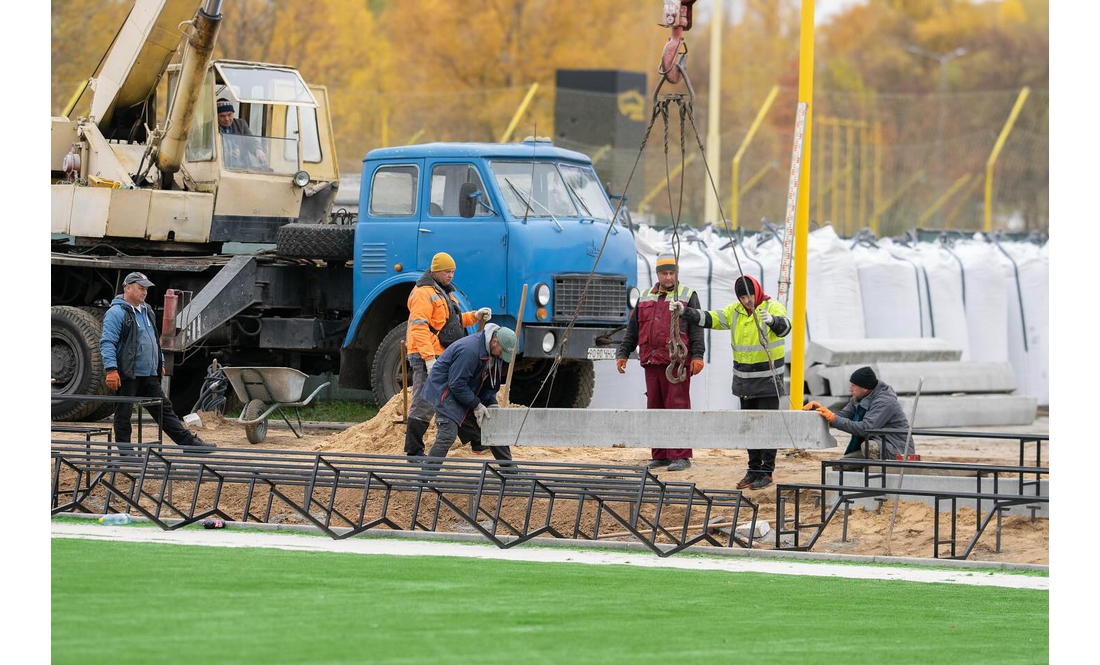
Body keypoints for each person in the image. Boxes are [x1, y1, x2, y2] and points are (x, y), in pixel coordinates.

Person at [671, 275, 790, 490]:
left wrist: (772, 321)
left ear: (757, 292)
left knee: (767, 428)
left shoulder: (772, 307)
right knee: (749, 428)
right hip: (745, 381)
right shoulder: (734, 311)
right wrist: (684, 312)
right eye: (743, 296)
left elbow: (785, 328)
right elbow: (710, 318)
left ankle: (767, 472)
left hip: (768, 381)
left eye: (749, 295)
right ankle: (753, 469)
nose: (747, 300)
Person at [100, 272, 214, 453]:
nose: (144, 292)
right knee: (124, 414)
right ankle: (125, 452)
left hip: (148, 373)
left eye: (146, 289)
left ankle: (188, 444)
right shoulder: (116, 313)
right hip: (128, 373)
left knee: (164, 410)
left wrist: (159, 362)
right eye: (140, 288)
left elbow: (154, 338)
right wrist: (111, 370)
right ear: (127, 288)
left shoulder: (147, 310)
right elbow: (107, 342)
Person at [616, 253, 704, 471]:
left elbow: (696, 328)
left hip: (677, 362)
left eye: (672, 273)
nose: (668, 277)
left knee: (678, 407)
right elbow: (633, 329)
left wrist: (698, 356)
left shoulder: (687, 295)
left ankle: (681, 455)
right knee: (655, 407)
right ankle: (661, 454)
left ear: (677, 273)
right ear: (657, 274)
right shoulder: (645, 297)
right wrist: (623, 353)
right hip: (652, 360)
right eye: (664, 273)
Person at [404, 252, 492, 457]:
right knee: (423, 402)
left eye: (453, 271)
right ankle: (414, 452)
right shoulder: (422, 294)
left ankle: (477, 441)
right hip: (426, 355)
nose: (451, 275)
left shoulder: (445, 292)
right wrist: (428, 359)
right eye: (447, 272)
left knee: (454, 395)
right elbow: (419, 328)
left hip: (441, 354)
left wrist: (474, 316)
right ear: (435, 271)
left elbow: (452, 322)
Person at [419, 323, 516, 461]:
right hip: (445, 391)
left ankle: (511, 473)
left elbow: (490, 384)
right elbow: (456, 384)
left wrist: (491, 403)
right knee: (447, 435)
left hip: (465, 390)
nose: (502, 357)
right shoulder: (470, 350)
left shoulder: (495, 354)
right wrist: (476, 404)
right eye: (502, 352)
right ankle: (425, 479)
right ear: (494, 342)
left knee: (494, 428)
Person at [804, 366, 913, 462]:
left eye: (853, 386)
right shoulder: (859, 398)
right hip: (879, 444)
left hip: (897, 450)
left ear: (865, 388)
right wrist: (821, 410)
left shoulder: (885, 402)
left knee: (868, 447)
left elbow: (866, 428)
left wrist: (833, 418)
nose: (850, 389)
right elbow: (842, 416)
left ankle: (874, 475)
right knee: (841, 465)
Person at [217, 98, 266, 167]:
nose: (227, 119)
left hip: (243, 167)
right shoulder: (210, 127)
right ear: (216, 116)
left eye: (229, 114)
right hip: (222, 168)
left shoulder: (241, 124)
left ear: (233, 114)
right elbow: (206, 152)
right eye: (222, 116)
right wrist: (226, 155)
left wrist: (258, 151)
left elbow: (251, 141)